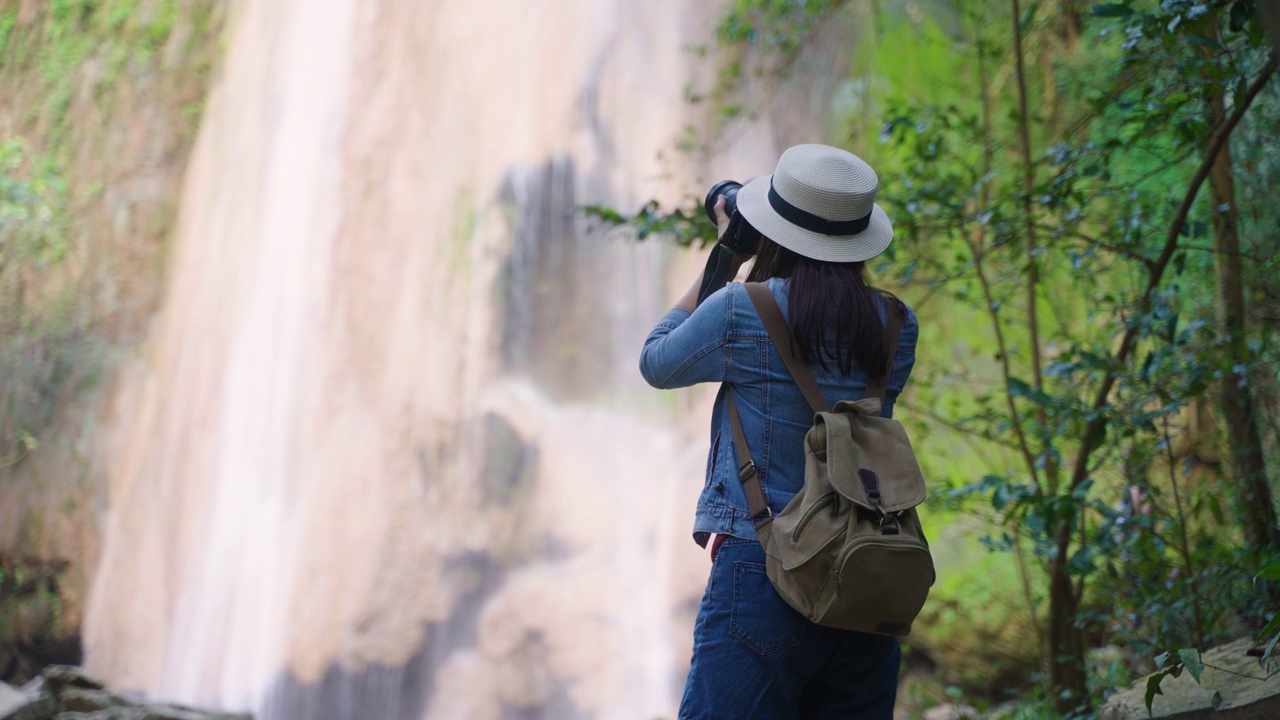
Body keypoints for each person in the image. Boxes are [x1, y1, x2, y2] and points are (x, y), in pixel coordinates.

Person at [639, 144, 919, 720]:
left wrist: (727, 256)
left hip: (763, 567)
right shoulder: (896, 324)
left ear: (776, 229)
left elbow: (657, 362)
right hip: (866, 572)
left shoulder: (744, 310)